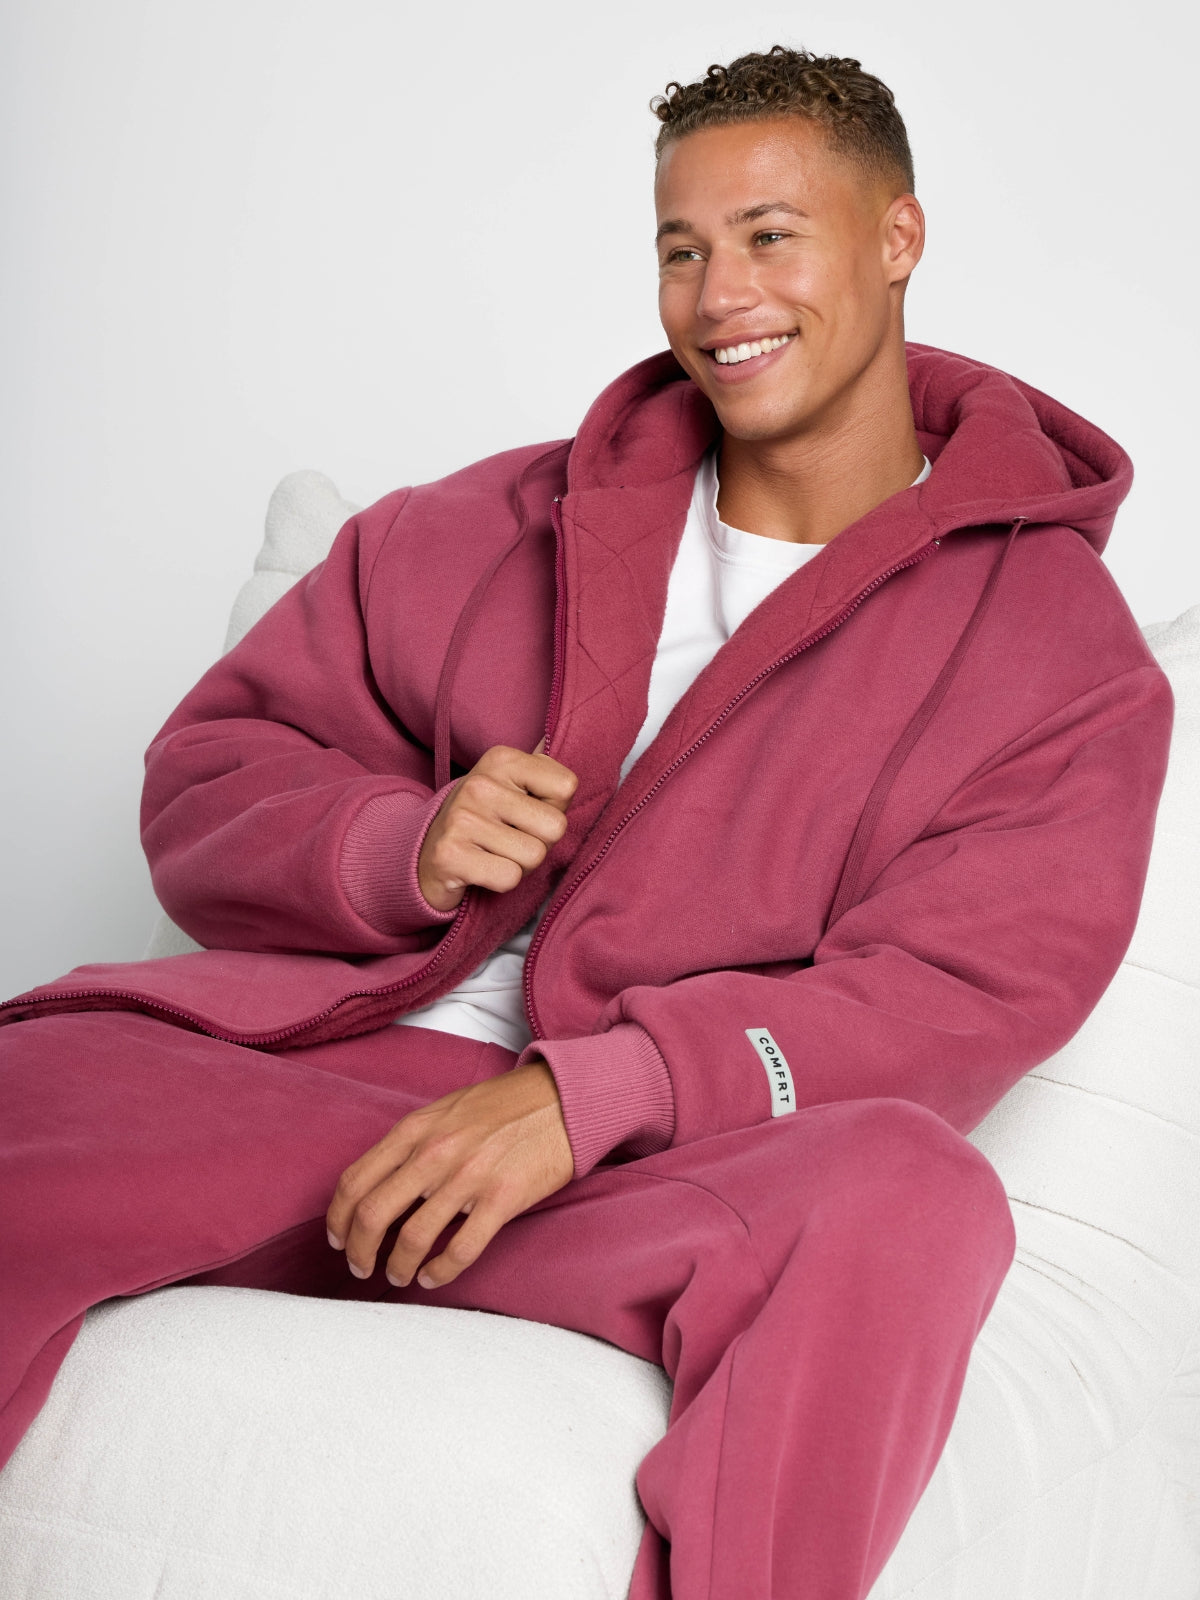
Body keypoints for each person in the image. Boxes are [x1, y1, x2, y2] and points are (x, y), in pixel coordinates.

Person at [0, 44, 1174, 1600]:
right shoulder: (480, 527)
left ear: (897, 238)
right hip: (308, 1100)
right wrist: (396, 846)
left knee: (912, 1198)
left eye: (769, 236)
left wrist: (602, 1091)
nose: (719, 295)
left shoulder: (1058, 654)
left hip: (627, 1184)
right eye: (682, 249)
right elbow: (210, 775)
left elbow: (960, 991)